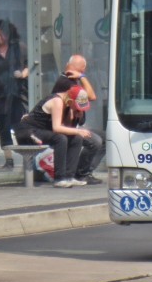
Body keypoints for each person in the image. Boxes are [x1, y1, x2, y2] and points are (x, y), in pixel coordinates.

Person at [15, 83, 95, 188]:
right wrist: (78, 131)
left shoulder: (67, 104)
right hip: (28, 131)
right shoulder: (57, 101)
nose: (77, 109)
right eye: (76, 106)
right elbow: (57, 128)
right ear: (70, 101)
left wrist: (75, 116)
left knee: (76, 138)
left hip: (42, 131)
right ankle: (59, 178)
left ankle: (69, 176)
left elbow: (65, 127)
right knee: (60, 139)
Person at [54, 54, 104, 183]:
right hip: (65, 128)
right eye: (83, 70)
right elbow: (92, 96)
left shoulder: (69, 80)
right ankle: (81, 174)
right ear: (82, 69)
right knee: (96, 141)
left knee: (104, 138)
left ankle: (86, 170)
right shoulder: (66, 82)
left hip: (74, 125)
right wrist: (82, 77)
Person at [0, 19, 30, 169]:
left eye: (1, 35)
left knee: (20, 126)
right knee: (3, 128)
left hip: (18, 93)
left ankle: (27, 159)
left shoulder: (19, 48)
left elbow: (31, 65)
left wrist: (24, 73)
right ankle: (9, 159)